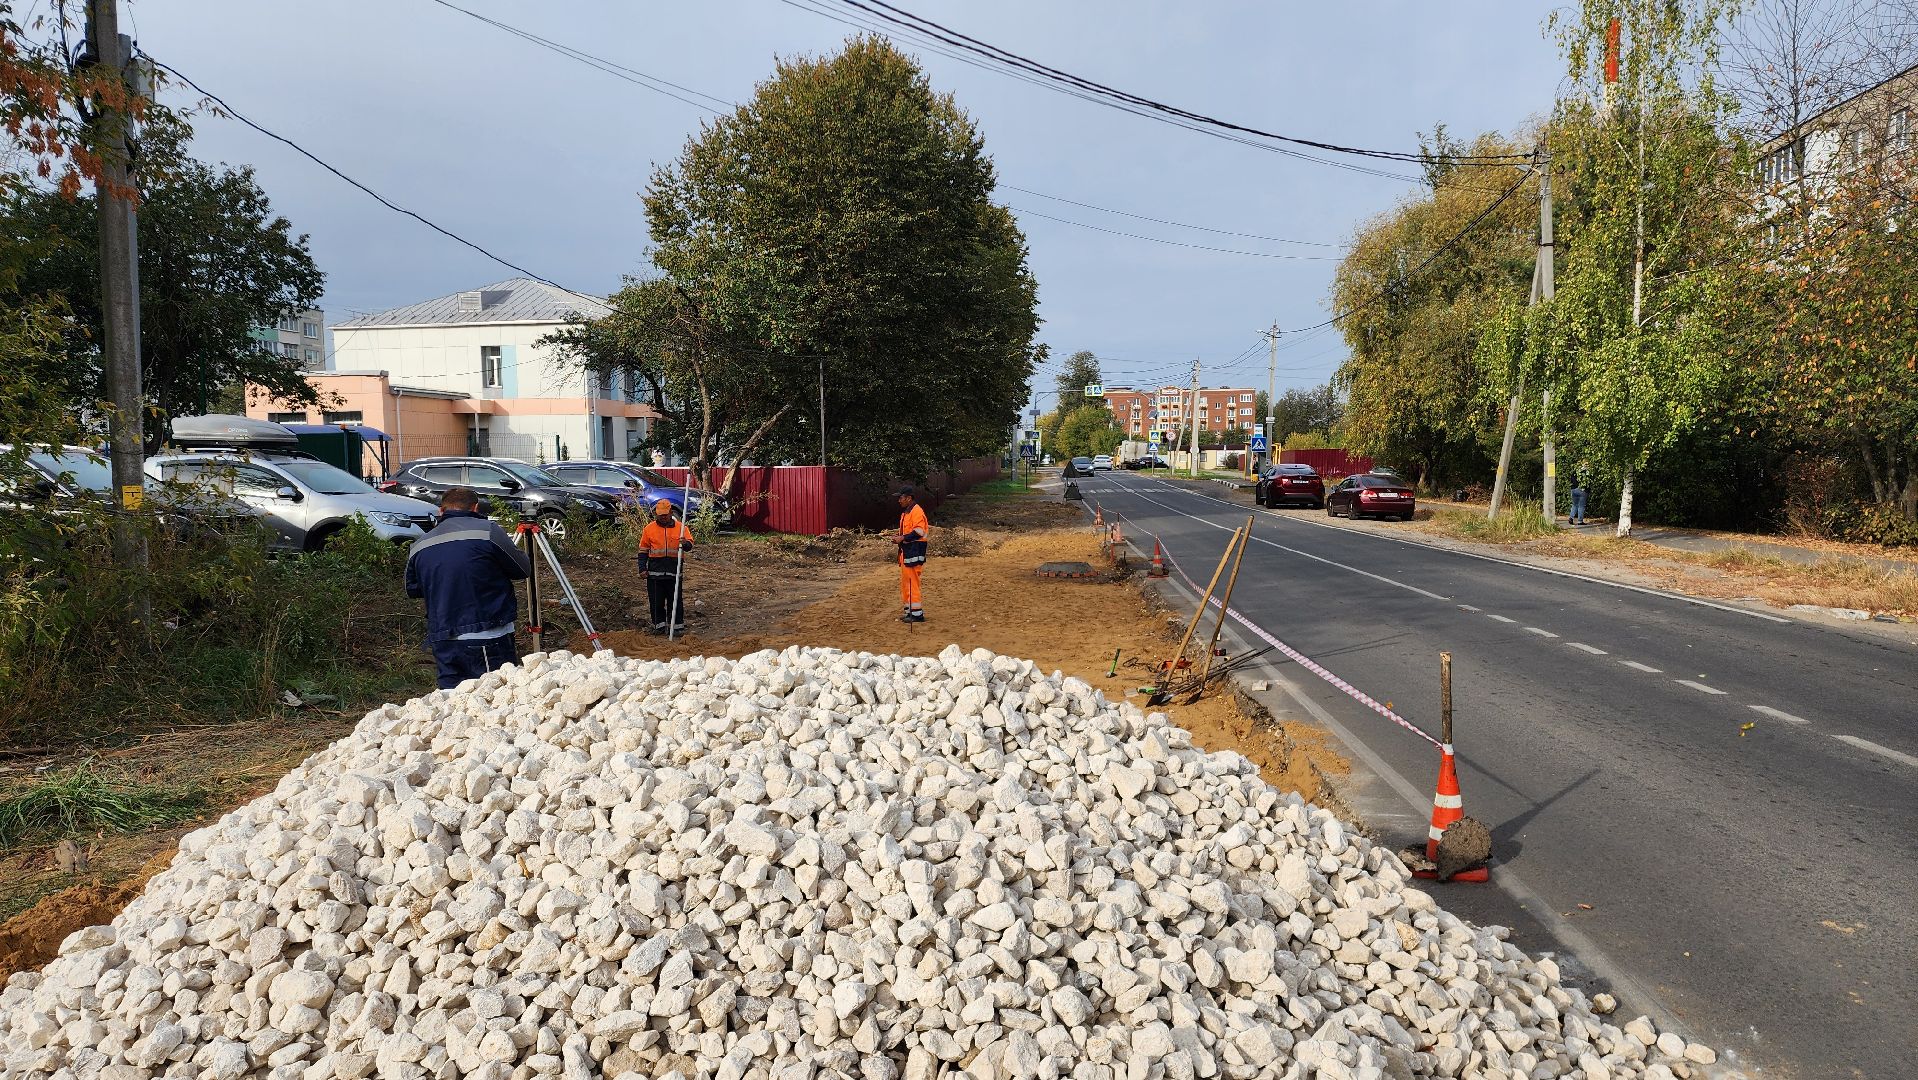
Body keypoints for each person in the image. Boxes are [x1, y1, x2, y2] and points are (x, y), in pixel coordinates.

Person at [405, 487, 532, 689]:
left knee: (453, 705)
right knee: (496, 701)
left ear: (441, 511)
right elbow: (522, 569)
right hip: (488, 635)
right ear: (475, 507)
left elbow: (413, 589)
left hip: (443, 639)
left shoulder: (420, 544)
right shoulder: (488, 531)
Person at [639, 498, 694, 634]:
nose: (663, 517)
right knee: (656, 602)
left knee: (675, 601)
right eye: (660, 514)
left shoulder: (681, 528)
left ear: (671, 512)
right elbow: (643, 550)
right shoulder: (649, 529)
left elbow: (690, 545)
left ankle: (677, 627)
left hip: (674, 572)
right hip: (655, 573)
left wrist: (685, 543)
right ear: (656, 514)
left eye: (665, 514)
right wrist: (642, 568)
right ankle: (659, 626)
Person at [896, 486, 929, 623]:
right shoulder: (907, 512)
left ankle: (916, 614)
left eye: (901, 498)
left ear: (909, 498)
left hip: (914, 552)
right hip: (907, 553)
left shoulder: (916, 511)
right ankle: (910, 611)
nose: (899, 501)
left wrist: (902, 538)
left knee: (912, 583)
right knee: (906, 584)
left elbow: (919, 532)